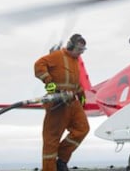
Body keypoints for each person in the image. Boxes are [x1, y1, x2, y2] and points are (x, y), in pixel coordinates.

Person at [34, 34, 91, 171]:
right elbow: (38, 65)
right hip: (57, 104)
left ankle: (62, 158)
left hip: (72, 103)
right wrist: (49, 82)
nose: (80, 53)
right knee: (51, 141)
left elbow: (74, 82)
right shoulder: (57, 56)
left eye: (82, 51)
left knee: (82, 129)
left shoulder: (74, 61)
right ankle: (50, 168)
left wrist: (81, 95)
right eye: (79, 50)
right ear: (71, 46)